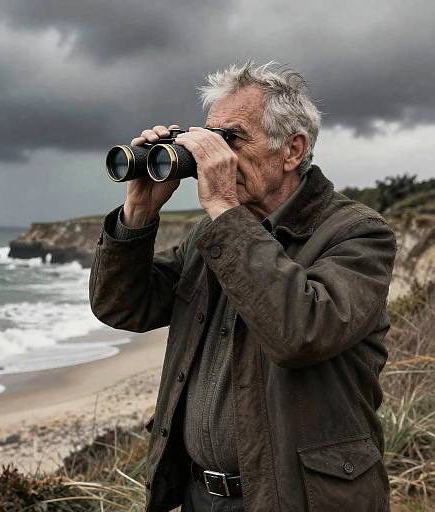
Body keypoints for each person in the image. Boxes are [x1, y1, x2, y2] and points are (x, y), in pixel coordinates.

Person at [89, 61, 397, 512]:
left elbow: (301, 333)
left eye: (230, 139)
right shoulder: (213, 235)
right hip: (201, 497)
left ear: (292, 150)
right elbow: (124, 307)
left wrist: (223, 207)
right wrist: (139, 214)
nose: (217, 155)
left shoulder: (357, 234)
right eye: (209, 138)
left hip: (302, 498)